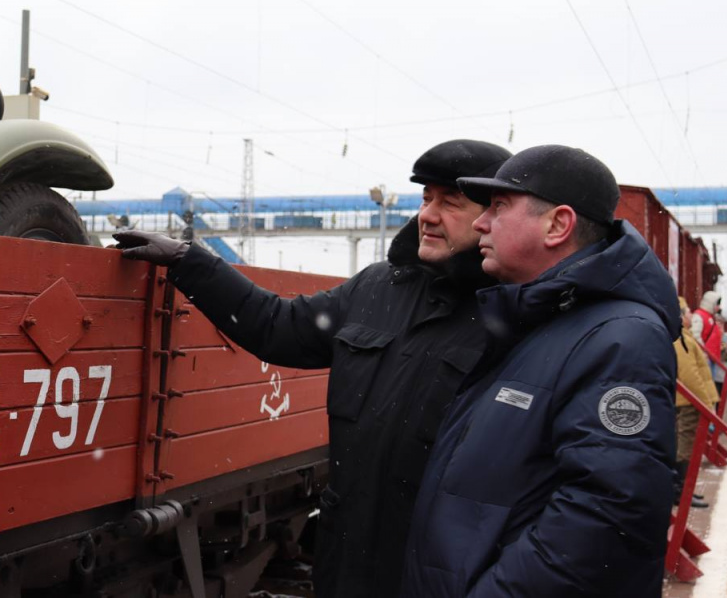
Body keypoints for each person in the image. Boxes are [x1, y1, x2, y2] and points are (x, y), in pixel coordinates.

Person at [114, 140, 511, 598]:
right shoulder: (379, 288)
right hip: (346, 559)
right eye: (426, 199)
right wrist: (190, 262)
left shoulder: (510, 314)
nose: (428, 215)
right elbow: (277, 327)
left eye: (450, 203)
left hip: (434, 569)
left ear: (491, 216)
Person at [402, 145, 680, 598]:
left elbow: (607, 517)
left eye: (498, 207)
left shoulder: (621, 340)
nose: (480, 223)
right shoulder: (541, 321)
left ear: (558, 225)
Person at [673, 297, 718, 508]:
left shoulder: (684, 336)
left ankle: (684, 490)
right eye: (688, 311)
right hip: (689, 402)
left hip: (689, 401)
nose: (692, 315)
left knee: (685, 445)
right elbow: (690, 374)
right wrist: (706, 401)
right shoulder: (680, 338)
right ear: (680, 315)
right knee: (685, 446)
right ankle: (682, 491)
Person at [692, 290, 723, 391]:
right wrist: (704, 352)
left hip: (710, 357)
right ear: (711, 303)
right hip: (706, 358)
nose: (718, 307)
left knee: (711, 384)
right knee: (708, 386)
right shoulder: (700, 315)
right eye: (717, 304)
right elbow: (695, 335)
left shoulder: (709, 317)